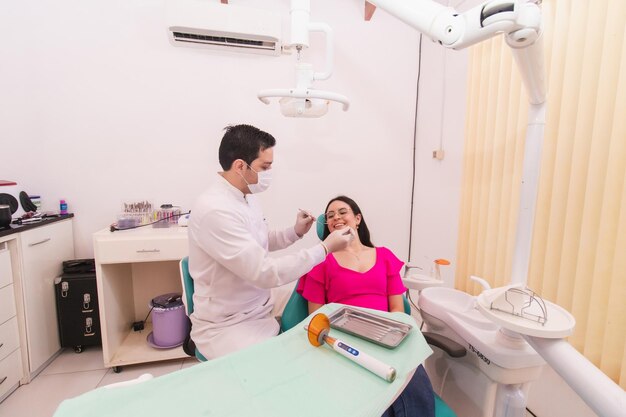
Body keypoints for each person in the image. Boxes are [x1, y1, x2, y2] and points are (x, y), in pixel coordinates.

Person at [188, 124, 354, 360]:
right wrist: (325, 248)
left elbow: (260, 240)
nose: (269, 173)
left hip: (258, 303)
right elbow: (265, 272)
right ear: (240, 166)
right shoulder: (215, 210)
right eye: (265, 167)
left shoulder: (247, 197)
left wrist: (295, 232)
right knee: (277, 363)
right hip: (228, 323)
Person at [297, 195, 436, 417]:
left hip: (388, 337)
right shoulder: (321, 262)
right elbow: (316, 317)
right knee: (372, 401)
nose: (336, 218)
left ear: (358, 218)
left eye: (343, 212)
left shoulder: (384, 256)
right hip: (346, 340)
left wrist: (391, 340)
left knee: (414, 391)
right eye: (330, 216)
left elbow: (397, 311)